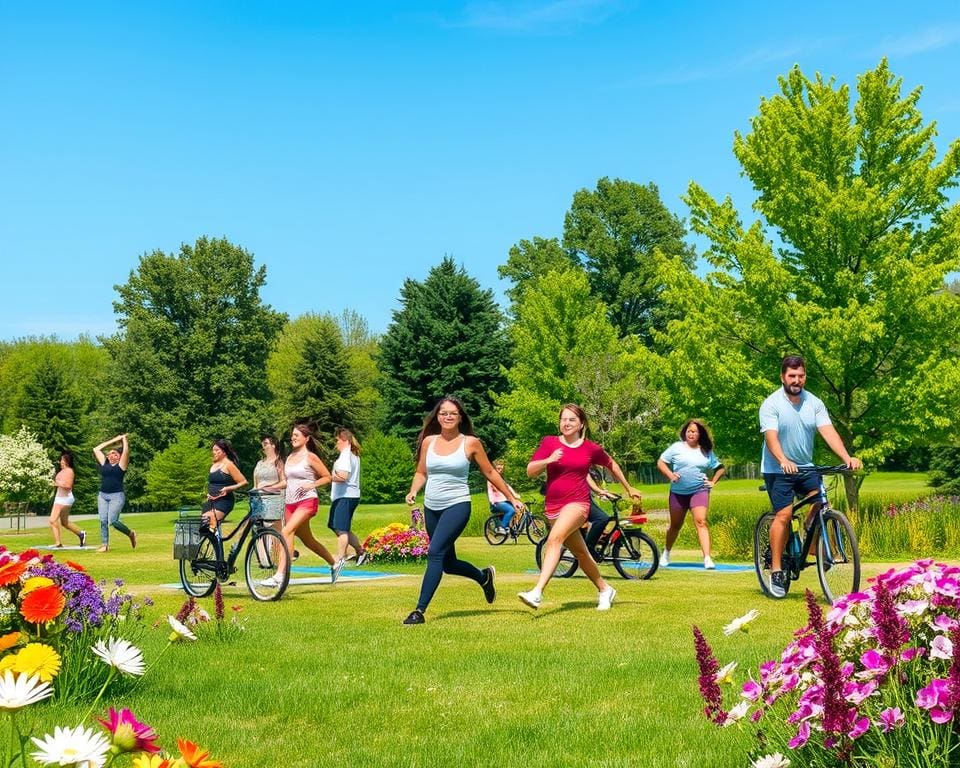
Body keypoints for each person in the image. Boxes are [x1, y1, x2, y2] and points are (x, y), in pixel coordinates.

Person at [402, 396, 526, 625]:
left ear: (460, 417)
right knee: (448, 563)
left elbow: (489, 472)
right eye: (443, 413)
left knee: (435, 552)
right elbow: (421, 472)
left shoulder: (470, 443)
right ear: (437, 417)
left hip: (457, 505)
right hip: (432, 506)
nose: (447, 417)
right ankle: (483, 577)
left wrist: (511, 498)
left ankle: (419, 611)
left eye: (452, 413)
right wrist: (413, 491)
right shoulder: (429, 442)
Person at [518, 404, 641, 611]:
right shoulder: (550, 443)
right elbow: (530, 471)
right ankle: (605, 589)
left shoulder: (590, 449)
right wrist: (548, 460)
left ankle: (537, 592)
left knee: (555, 539)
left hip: (578, 503)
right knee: (581, 554)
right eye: (563, 419)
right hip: (553, 506)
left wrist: (628, 488)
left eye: (571, 420)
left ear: (581, 424)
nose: (566, 423)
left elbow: (612, 464)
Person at [760, 355, 862, 598]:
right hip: (778, 469)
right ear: (782, 377)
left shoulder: (814, 402)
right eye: (792, 376)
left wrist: (846, 457)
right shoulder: (771, 404)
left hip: (806, 467)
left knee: (821, 502)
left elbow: (827, 431)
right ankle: (776, 569)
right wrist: (783, 460)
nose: (797, 380)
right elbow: (771, 437)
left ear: (805, 376)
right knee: (784, 515)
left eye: (801, 375)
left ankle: (814, 540)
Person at [262, 423, 338, 589]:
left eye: (297, 435)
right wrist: (270, 487)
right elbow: (287, 482)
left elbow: (327, 477)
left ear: (306, 438)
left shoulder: (310, 457)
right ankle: (334, 563)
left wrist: (312, 485)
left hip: (307, 501)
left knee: (286, 531)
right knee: (308, 540)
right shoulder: (289, 457)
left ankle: (280, 575)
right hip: (290, 503)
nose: (293, 438)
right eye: (292, 435)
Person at [656, 419, 725, 570]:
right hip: (678, 493)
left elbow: (720, 468)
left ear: (700, 434)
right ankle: (666, 553)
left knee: (701, 521)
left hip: (699, 491)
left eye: (694, 431)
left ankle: (707, 558)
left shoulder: (706, 451)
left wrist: (713, 482)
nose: (691, 434)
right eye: (689, 431)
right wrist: (670, 475)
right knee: (675, 525)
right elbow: (661, 462)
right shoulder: (676, 447)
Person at [329, 428, 368, 568]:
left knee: (341, 529)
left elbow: (343, 476)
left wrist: (327, 478)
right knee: (337, 526)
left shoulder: (346, 455)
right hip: (347, 496)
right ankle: (361, 551)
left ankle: (340, 559)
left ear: (344, 440)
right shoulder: (353, 455)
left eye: (337, 440)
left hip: (345, 496)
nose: (336, 444)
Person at [93, 434, 136, 552]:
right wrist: (114, 440)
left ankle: (130, 533)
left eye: (115, 453)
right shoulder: (104, 463)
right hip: (103, 495)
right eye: (111, 453)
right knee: (103, 520)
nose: (112, 455)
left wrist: (124, 440)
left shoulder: (121, 465)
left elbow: (126, 451)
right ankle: (105, 545)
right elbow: (96, 449)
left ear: (119, 457)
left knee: (113, 521)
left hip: (117, 496)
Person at [201, 439, 247, 531]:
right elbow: (210, 482)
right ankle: (216, 544)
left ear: (224, 452)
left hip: (223, 502)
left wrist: (229, 488)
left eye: (217, 450)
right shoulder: (213, 464)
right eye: (213, 450)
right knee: (206, 530)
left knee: (207, 522)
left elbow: (243, 482)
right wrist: (207, 493)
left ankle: (218, 544)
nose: (214, 452)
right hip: (210, 501)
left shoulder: (229, 465)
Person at [49, 451, 85, 548]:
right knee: (64, 522)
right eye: (61, 460)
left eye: (63, 460)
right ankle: (81, 534)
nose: (61, 461)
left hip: (65, 498)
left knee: (52, 520)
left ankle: (58, 543)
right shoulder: (61, 471)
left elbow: (68, 486)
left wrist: (57, 484)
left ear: (67, 461)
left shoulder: (69, 471)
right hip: (59, 497)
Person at [252, 435, 286, 527]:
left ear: (273, 445)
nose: (263, 446)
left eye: (266, 444)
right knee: (258, 530)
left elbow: (284, 482)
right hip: (259, 501)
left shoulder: (278, 462)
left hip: (274, 500)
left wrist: (269, 487)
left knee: (272, 530)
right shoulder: (259, 463)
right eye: (262, 444)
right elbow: (255, 485)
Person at [487, 459, 519, 534]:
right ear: (494, 469)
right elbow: (497, 488)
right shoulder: (491, 478)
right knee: (511, 510)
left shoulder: (501, 479)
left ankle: (511, 527)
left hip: (504, 501)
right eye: (498, 468)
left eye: (501, 468)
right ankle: (502, 527)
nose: (500, 470)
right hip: (496, 502)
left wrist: (515, 494)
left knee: (518, 508)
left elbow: (508, 487)